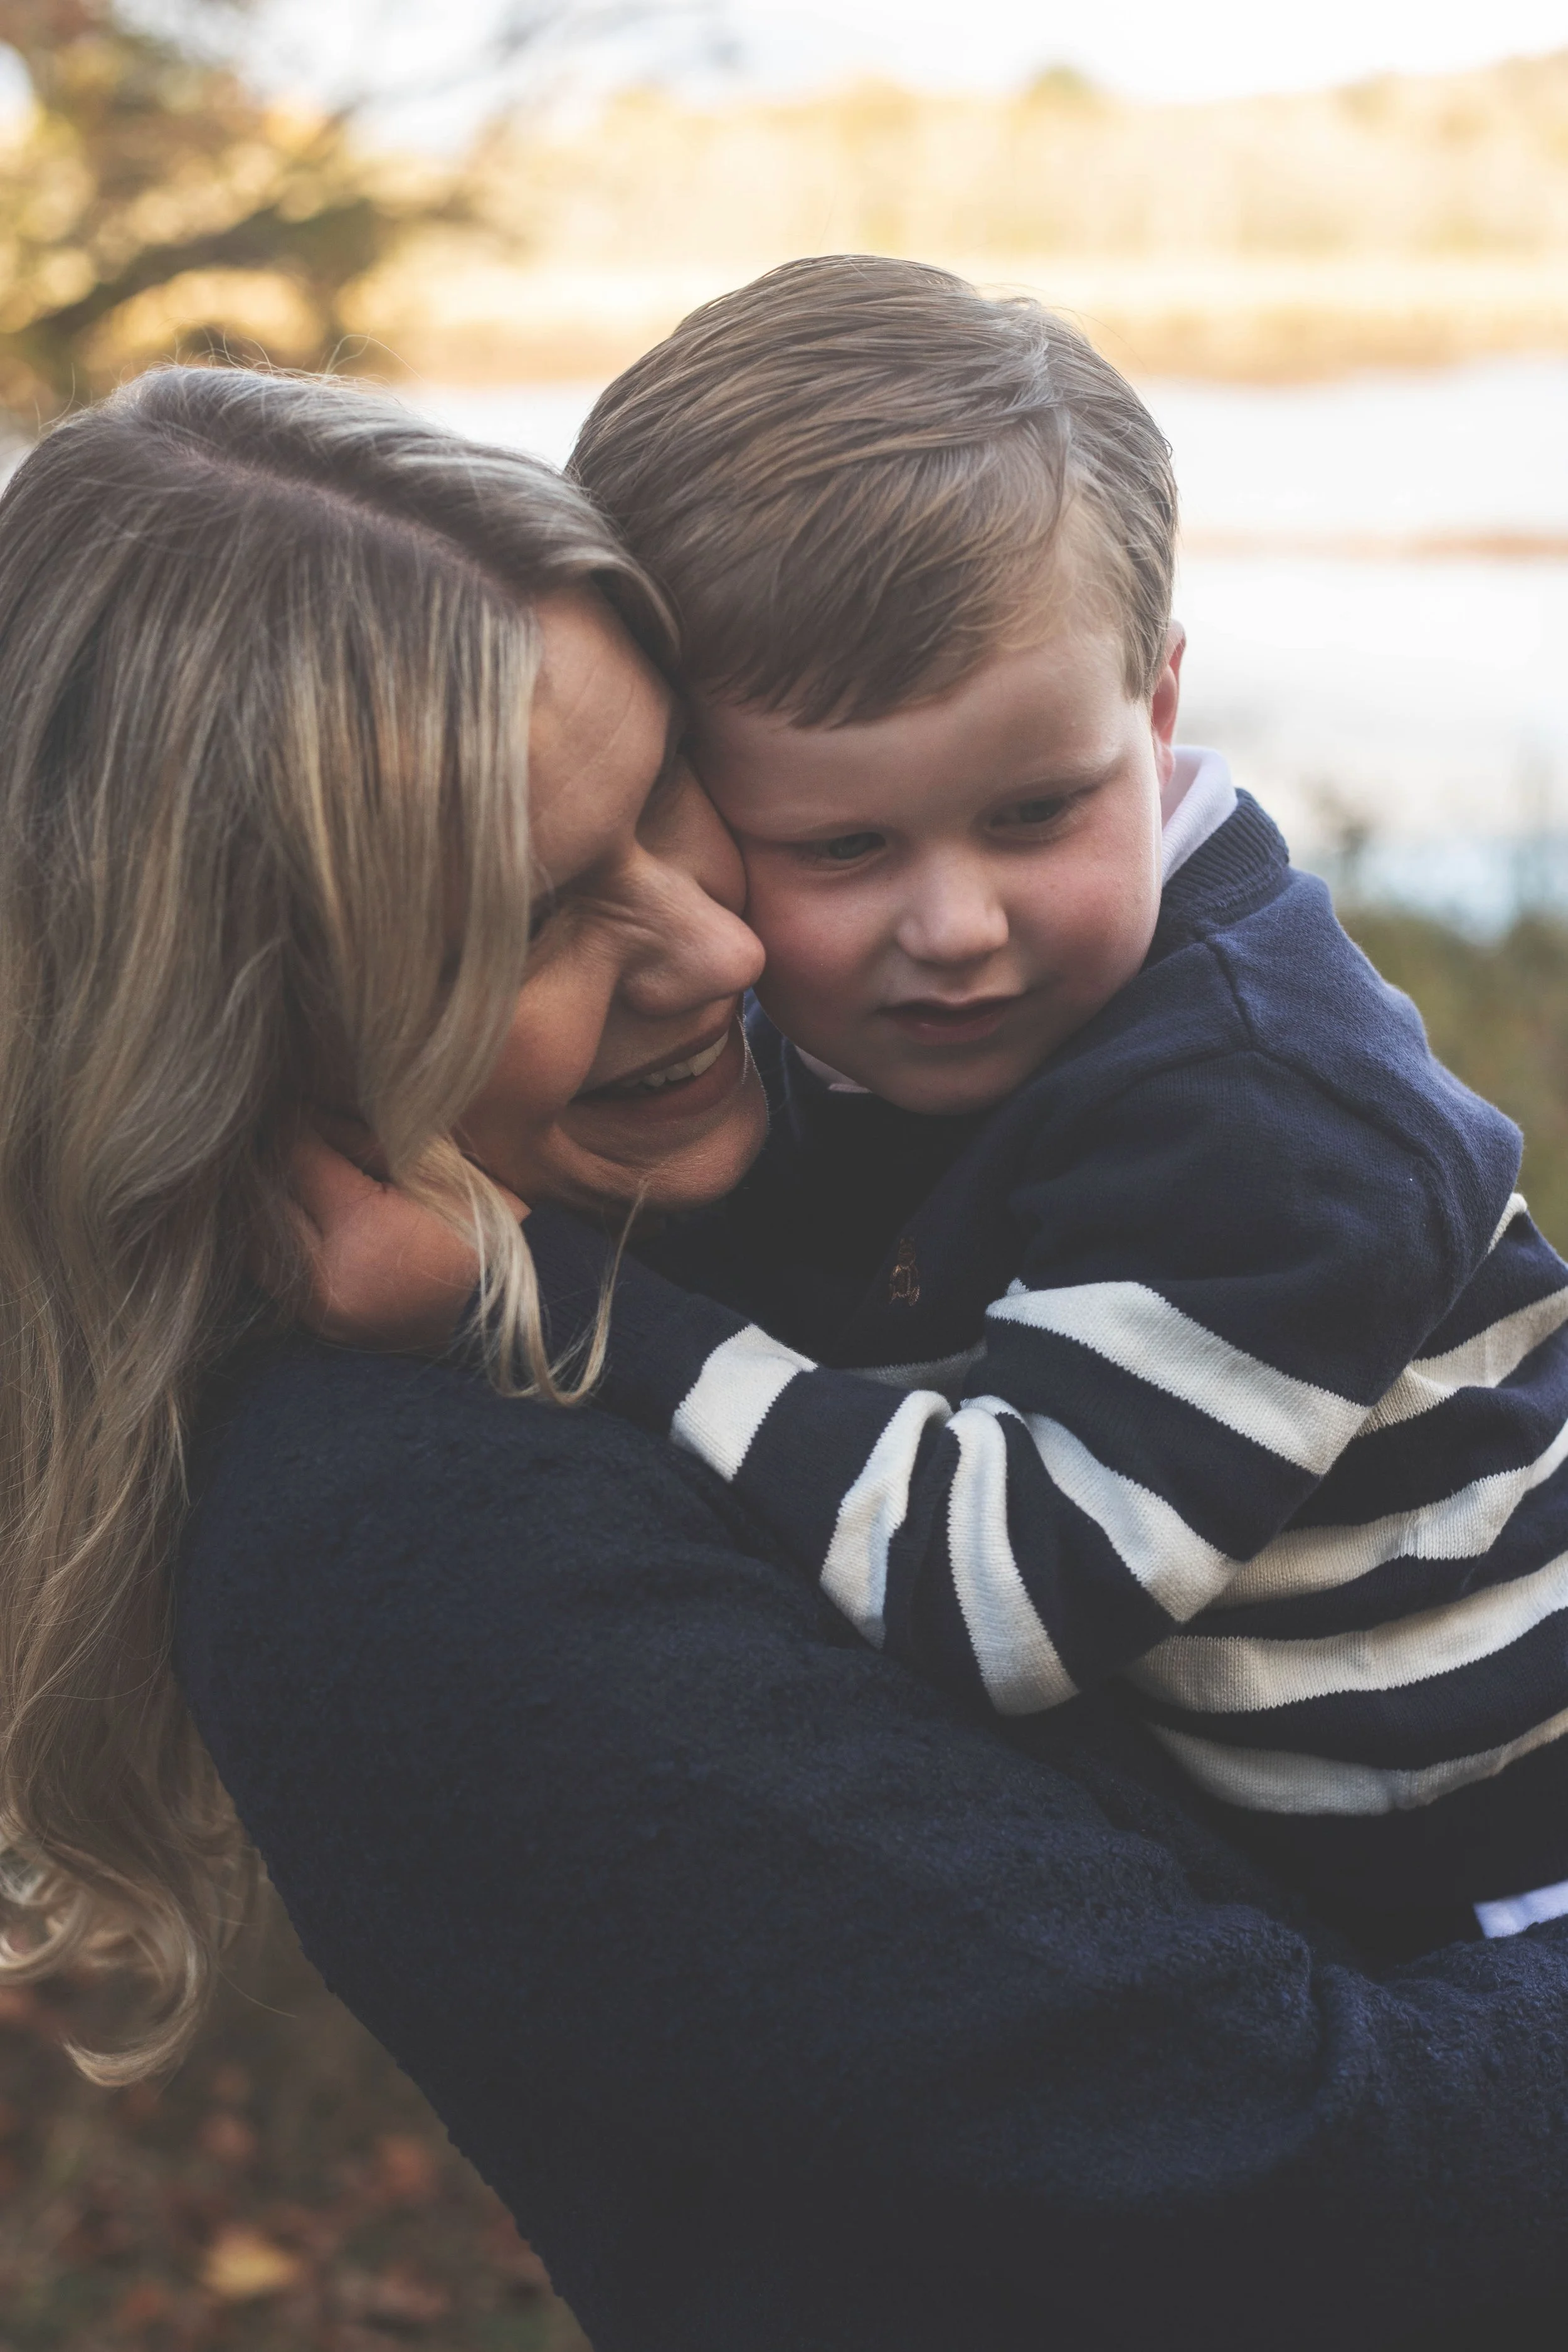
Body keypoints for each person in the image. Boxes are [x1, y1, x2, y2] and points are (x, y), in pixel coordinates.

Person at [8, 364, 1568, 2352]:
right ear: (238, 1015)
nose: (721, 952)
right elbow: (1304, 2178)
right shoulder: (402, 1538)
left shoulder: (803, 1156)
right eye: (529, 918)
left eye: (675, 792)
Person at [315, 257, 1568, 1932]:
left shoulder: (1269, 1109)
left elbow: (1004, 1595)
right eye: (841, 845)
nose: (959, 927)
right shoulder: (832, 1035)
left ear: (1157, 709)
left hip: (1498, 1876)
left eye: (1038, 812)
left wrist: (524, 1282)